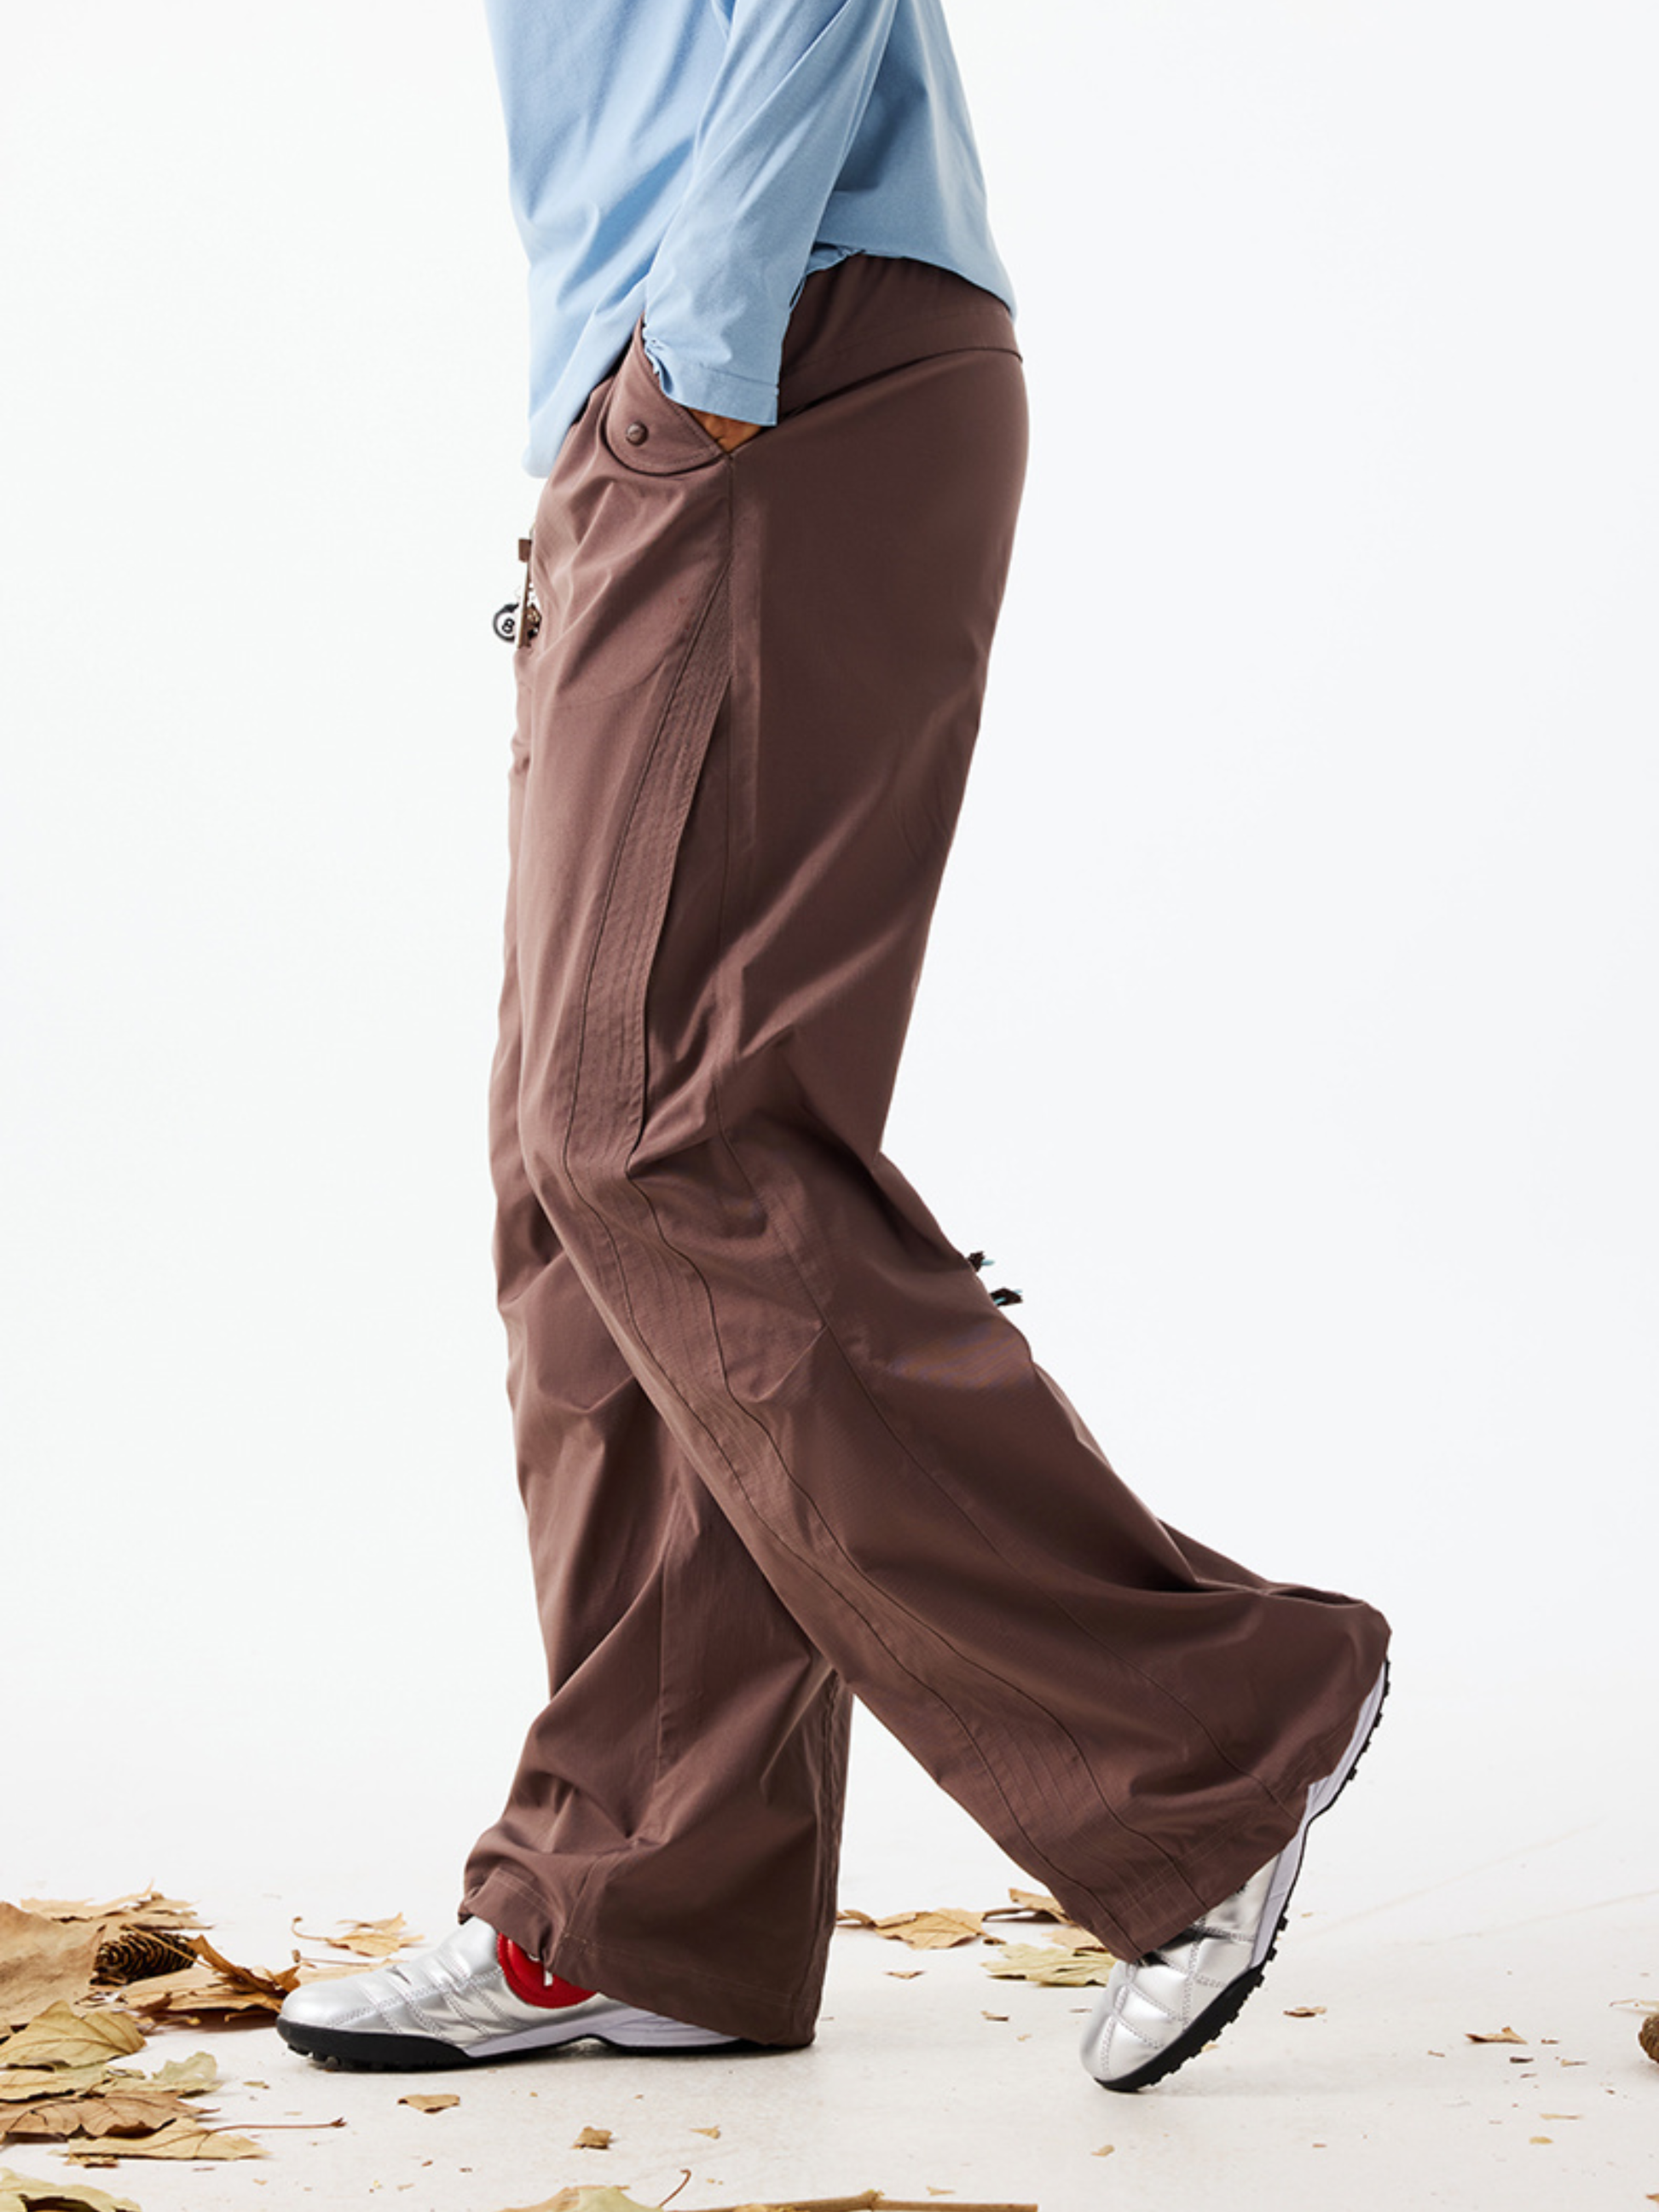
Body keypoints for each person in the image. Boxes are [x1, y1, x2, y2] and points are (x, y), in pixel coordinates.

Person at [276, 0, 1391, 2095]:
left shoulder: (734, 335)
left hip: (771, 340)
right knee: (581, 1189)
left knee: (655, 1133)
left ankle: (1212, 1736)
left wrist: (704, 343)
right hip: (697, 366)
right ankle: (651, 1905)